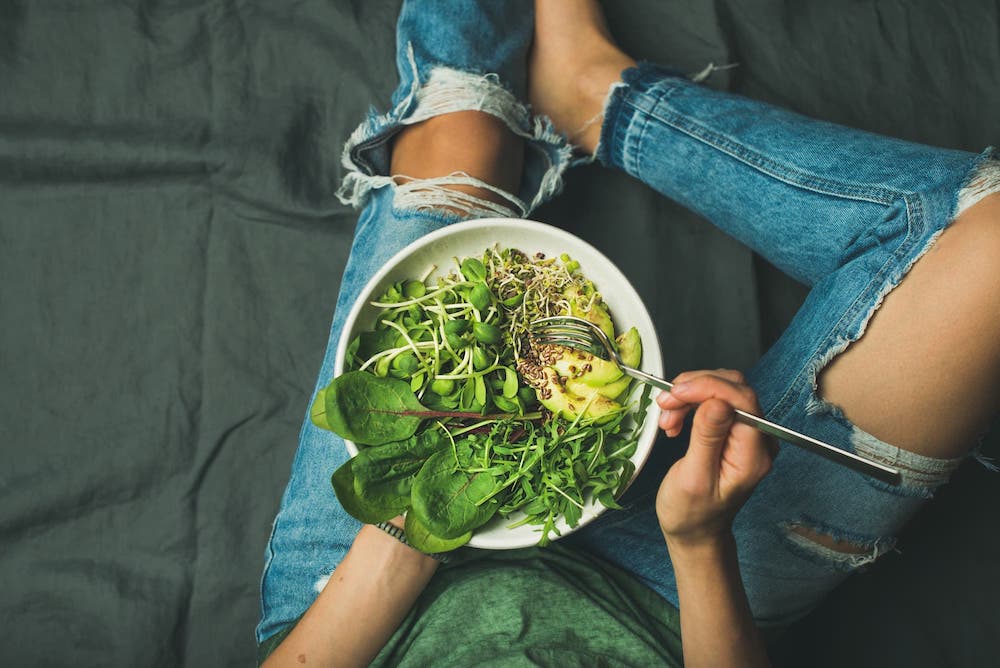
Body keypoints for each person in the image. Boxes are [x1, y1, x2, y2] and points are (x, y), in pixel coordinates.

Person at [256, 1, 1000, 665]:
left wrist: (398, 541)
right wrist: (700, 542)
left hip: (367, 614)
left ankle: (583, 93)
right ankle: (605, 101)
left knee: (461, 130)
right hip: (665, 606)